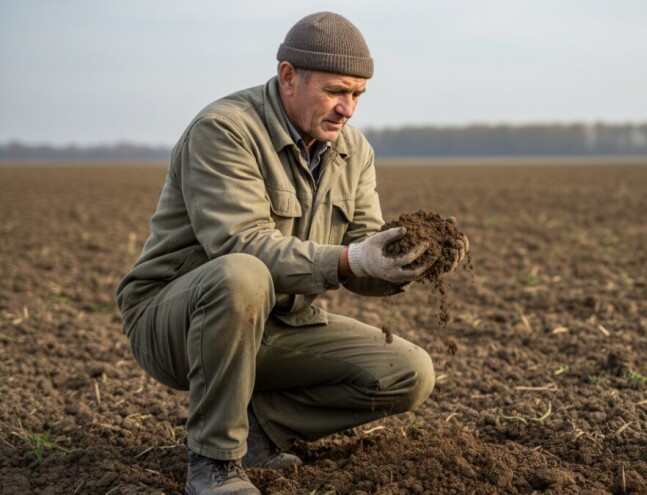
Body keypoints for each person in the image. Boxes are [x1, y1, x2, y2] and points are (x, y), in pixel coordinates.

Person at [115, 12, 466, 495]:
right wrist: (350, 261)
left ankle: (259, 429)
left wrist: (408, 258)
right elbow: (240, 243)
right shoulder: (225, 130)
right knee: (242, 275)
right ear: (288, 77)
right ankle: (214, 464)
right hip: (177, 320)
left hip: (276, 321)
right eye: (336, 91)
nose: (348, 109)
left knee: (407, 372)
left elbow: (362, 253)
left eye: (358, 95)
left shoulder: (353, 151)